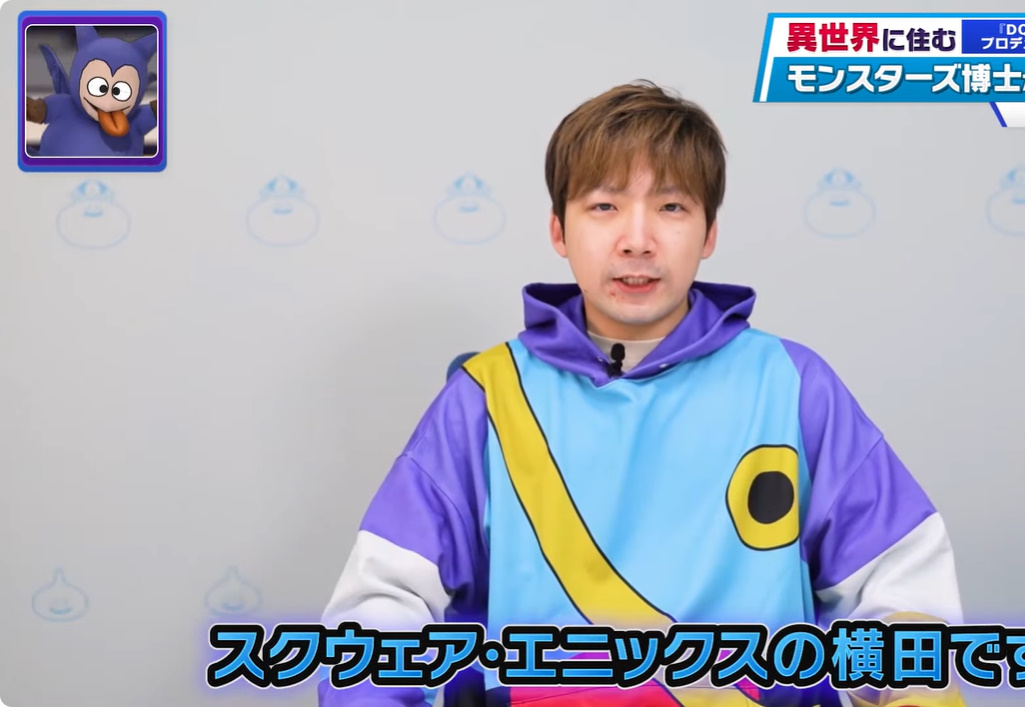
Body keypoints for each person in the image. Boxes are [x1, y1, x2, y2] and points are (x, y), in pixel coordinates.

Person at [318, 80, 967, 707]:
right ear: (558, 230)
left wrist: (913, 687)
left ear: (709, 233)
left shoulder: (793, 386)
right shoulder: (484, 399)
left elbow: (900, 586)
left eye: (671, 207)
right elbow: (381, 612)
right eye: (603, 206)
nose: (637, 240)